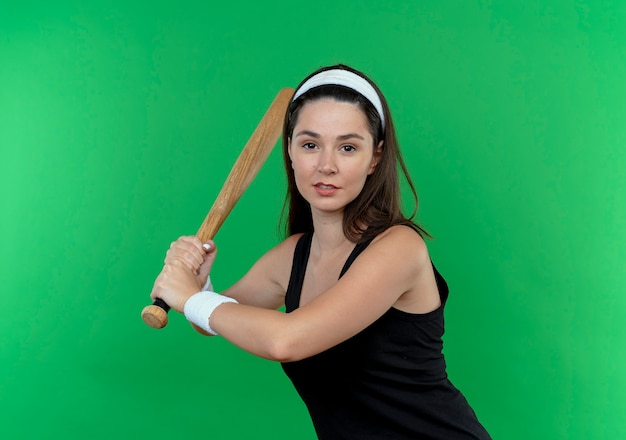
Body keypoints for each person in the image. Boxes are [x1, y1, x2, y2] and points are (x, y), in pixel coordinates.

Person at [150, 64, 492, 439]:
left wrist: (188, 298)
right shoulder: (292, 255)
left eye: (348, 147)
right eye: (310, 145)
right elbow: (213, 321)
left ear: (374, 158)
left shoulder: (398, 248)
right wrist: (199, 286)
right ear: (291, 152)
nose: (326, 166)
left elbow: (286, 340)